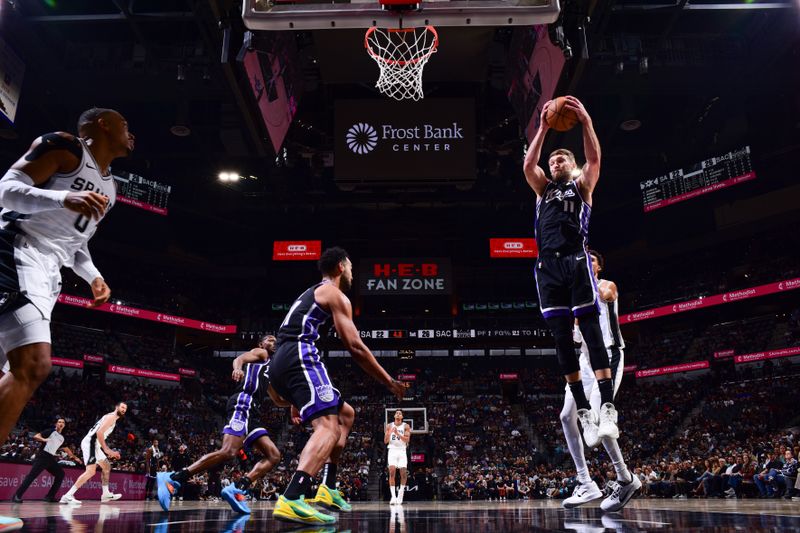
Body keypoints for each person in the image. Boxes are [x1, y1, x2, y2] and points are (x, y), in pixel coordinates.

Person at [0, 108, 133, 445]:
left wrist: (93, 276)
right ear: (103, 124)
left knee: (12, 372)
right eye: (125, 125)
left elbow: (75, 242)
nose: (131, 133)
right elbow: (6, 190)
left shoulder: (112, 189)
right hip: (16, 248)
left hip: (49, 270)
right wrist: (63, 197)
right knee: (34, 365)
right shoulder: (65, 147)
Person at [269, 247, 408, 525]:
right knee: (328, 427)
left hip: (283, 363)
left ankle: (328, 487)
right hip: (299, 355)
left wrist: (296, 397)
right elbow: (355, 346)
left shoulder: (311, 293)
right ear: (341, 267)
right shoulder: (334, 294)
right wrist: (388, 381)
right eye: (352, 268)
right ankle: (292, 497)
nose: (354, 274)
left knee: (346, 414)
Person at [523, 96, 619, 446]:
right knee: (562, 339)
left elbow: (594, 158)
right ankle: (583, 409)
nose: (556, 159)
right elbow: (528, 164)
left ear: (572, 164)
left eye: (562, 156)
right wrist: (544, 127)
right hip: (547, 267)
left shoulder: (582, 186)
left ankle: (607, 407)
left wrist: (587, 121)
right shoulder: (543, 189)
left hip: (576, 261)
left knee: (591, 332)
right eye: (553, 158)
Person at [156, 336, 283, 514]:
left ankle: (237, 487)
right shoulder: (261, 353)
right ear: (262, 344)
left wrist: (295, 406)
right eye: (270, 339)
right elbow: (239, 359)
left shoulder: (270, 369)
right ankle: (174, 478)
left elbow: (277, 399)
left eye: (275, 339)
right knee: (228, 452)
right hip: (243, 402)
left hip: (253, 412)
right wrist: (238, 369)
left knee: (274, 455)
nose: (274, 341)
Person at [560, 250, 641, 511]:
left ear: (598, 267)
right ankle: (585, 482)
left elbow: (602, 298)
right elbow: (574, 333)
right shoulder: (575, 294)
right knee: (566, 416)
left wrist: (580, 286)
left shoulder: (607, 286)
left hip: (608, 354)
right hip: (585, 360)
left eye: (591, 260)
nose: (586, 262)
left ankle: (625, 478)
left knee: (598, 418)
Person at [60, 402, 127, 504]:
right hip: (90, 443)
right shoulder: (112, 417)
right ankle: (67, 495)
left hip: (95, 445)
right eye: (122, 407)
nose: (123, 410)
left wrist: (106, 449)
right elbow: (99, 432)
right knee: (91, 471)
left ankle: (105, 494)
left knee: (106, 466)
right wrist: (107, 449)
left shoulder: (110, 417)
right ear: (116, 407)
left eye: (125, 409)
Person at [12, 417, 82, 503]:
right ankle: (16, 496)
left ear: (64, 425)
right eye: (59, 422)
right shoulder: (50, 431)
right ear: (56, 424)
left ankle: (49, 496)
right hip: (42, 456)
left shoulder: (62, 438)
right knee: (31, 476)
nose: (61, 423)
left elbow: (67, 450)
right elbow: (36, 436)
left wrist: (76, 458)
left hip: (50, 458)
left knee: (60, 474)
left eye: (62, 422)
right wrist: (43, 439)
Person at [385, 409, 411, 505]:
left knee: (403, 473)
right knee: (392, 472)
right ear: (394, 416)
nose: (398, 414)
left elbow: (407, 440)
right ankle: (393, 497)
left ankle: (400, 495)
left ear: (402, 417)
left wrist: (397, 433)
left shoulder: (406, 426)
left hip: (402, 450)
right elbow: (385, 441)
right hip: (392, 450)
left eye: (400, 413)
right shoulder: (389, 426)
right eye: (397, 413)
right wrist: (390, 432)